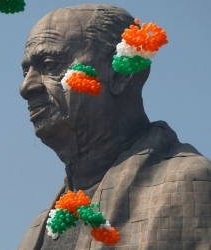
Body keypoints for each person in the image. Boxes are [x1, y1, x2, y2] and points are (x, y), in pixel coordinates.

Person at [18, 4, 211, 250]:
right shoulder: (39, 228)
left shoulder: (187, 183)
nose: (26, 87)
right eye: (26, 71)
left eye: (49, 65)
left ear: (121, 75)